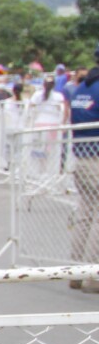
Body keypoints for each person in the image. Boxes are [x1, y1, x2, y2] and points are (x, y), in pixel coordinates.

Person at [67, 51, 99, 293]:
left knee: (86, 213)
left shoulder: (82, 87)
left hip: (82, 155)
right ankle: (93, 277)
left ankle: (75, 272)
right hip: (96, 157)